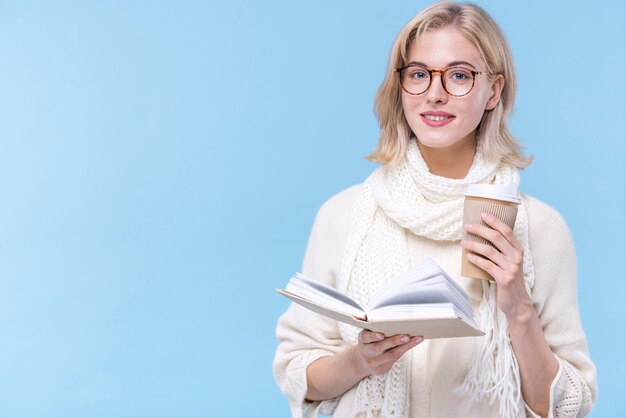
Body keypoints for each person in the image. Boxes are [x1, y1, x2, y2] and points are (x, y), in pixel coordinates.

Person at [273, 2, 597, 417]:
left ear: (494, 91)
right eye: (419, 74)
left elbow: (567, 404)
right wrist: (360, 360)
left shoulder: (538, 228)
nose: (435, 93)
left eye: (459, 75)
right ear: (401, 86)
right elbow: (298, 372)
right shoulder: (343, 215)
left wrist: (517, 306)